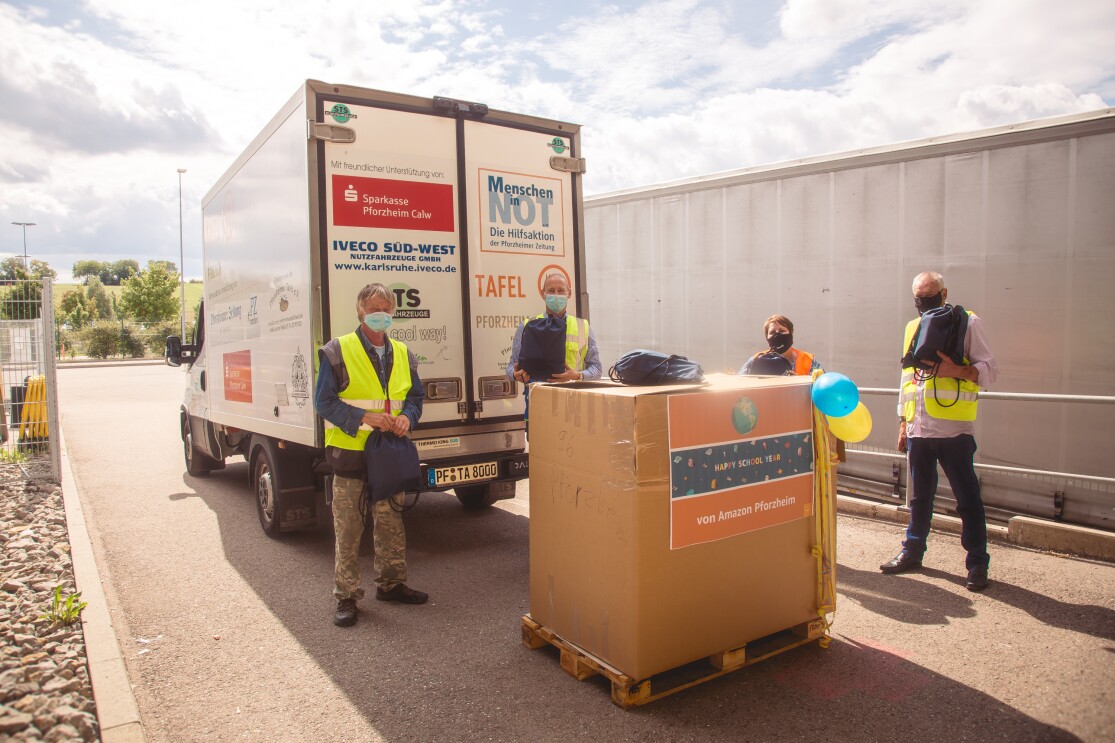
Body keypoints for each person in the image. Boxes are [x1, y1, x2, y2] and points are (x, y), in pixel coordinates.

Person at [314, 283, 428, 627]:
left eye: (387, 310)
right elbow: (324, 402)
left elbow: (416, 397)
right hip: (350, 454)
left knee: (391, 521)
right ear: (360, 312)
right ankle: (346, 597)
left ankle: (391, 584)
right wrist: (364, 417)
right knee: (349, 528)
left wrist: (409, 416)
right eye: (374, 309)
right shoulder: (338, 351)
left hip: (389, 453)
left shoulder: (404, 353)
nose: (381, 315)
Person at [881, 271, 999, 591]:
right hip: (919, 426)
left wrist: (956, 370)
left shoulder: (969, 323)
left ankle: (976, 563)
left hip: (954, 429)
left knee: (967, 499)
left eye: (930, 296)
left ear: (944, 293)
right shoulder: (912, 327)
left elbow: (990, 371)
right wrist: (903, 424)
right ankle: (912, 551)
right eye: (919, 298)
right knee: (919, 498)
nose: (923, 303)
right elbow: (906, 380)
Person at [507, 271, 602, 421]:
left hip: (574, 408)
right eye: (551, 291)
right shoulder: (526, 326)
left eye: (561, 290)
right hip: (538, 406)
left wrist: (577, 376)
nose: (556, 295)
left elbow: (597, 369)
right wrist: (515, 374)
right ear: (543, 294)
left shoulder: (583, 327)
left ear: (569, 293)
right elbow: (511, 365)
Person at [738, 315, 823, 376]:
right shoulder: (756, 360)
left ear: (791, 333)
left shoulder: (808, 361)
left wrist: (797, 384)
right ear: (767, 337)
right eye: (772, 332)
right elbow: (740, 385)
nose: (777, 335)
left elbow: (822, 391)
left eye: (782, 331)